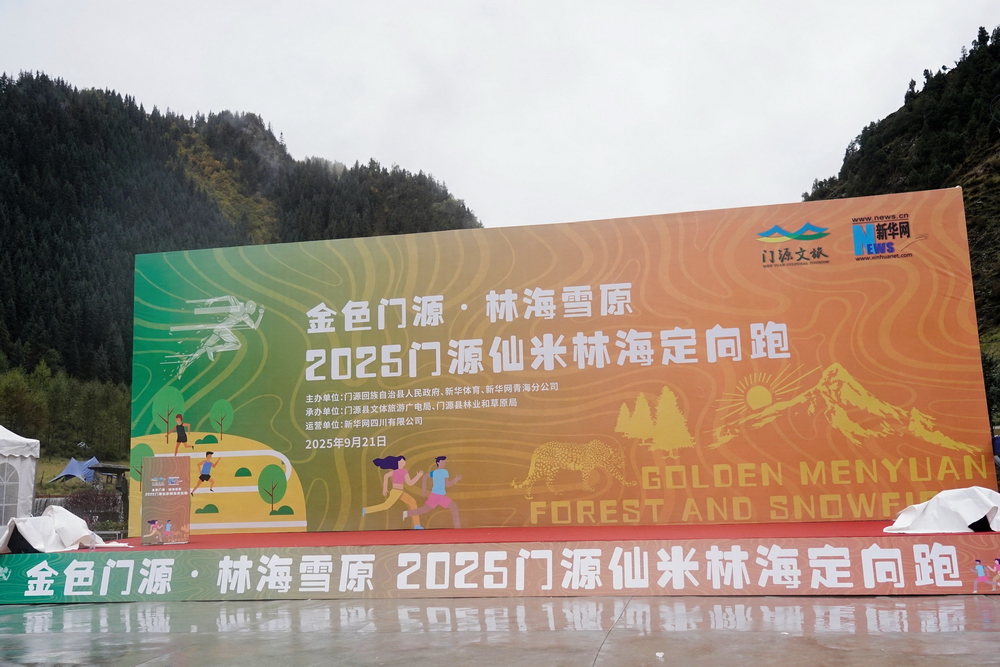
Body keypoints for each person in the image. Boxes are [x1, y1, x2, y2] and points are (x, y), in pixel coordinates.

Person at [362, 455, 423, 529]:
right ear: (399, 461)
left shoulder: (403, 471)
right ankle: (365, 510)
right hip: (396, 492)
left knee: (412, 502)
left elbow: (409, 483)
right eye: (403, 460)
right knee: (385, 506)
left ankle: (417, 525)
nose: (404, 462)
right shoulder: (400, 471)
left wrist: (418, 476)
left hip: (400, 492)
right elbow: (386, 476)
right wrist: (384, 489)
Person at [404, 456, 462, 528]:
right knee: (453, 507)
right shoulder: (444, 472)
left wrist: (424, 490)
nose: (444, 463)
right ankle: (458, 527)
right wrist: (456, 479)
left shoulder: (434, 472)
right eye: (442, 462)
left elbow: (425, 477)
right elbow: (448, 484)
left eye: (444, 462)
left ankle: (406, 513)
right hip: (438, 496)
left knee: (424, 510)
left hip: (436, 496)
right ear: (438, 463)